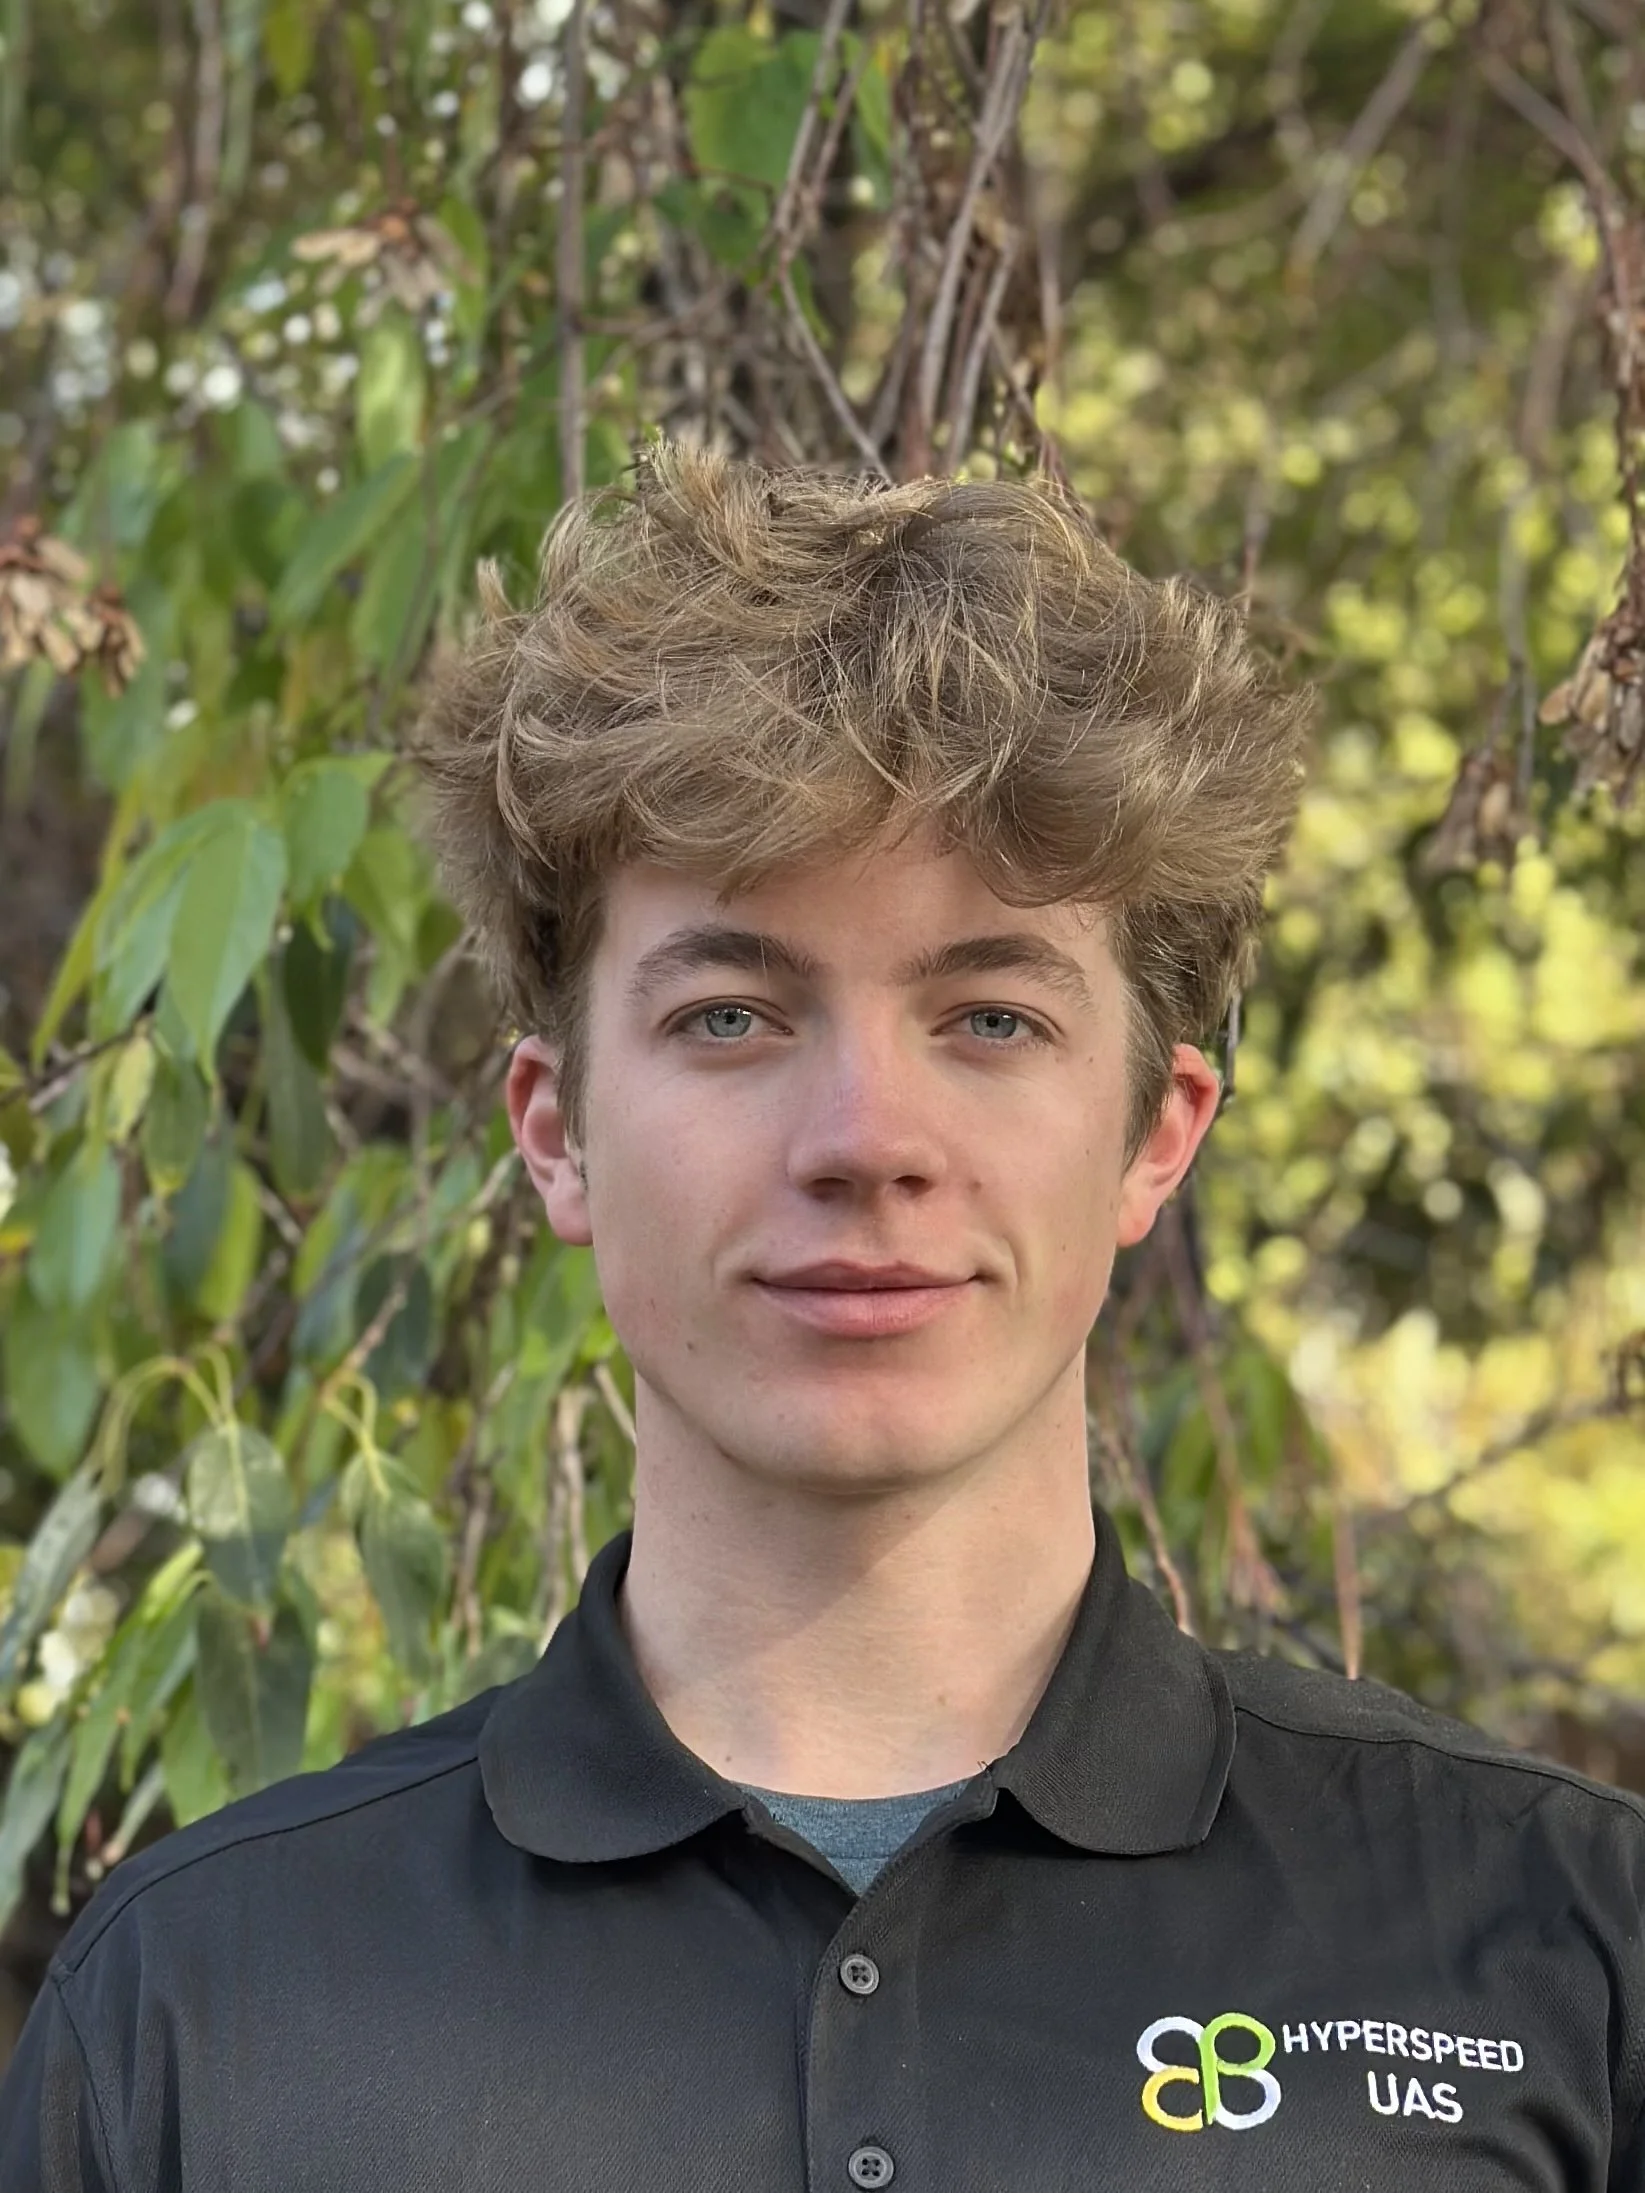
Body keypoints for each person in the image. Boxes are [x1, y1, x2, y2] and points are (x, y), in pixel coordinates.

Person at [3, 441, 1641, 2191]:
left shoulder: (1554, 1936)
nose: (867, 1143)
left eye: (992, 1018)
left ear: (1153, 1140)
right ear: (557, 1136)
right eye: (730, 1016)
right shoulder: (205, 2000)